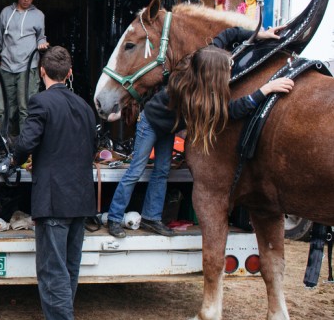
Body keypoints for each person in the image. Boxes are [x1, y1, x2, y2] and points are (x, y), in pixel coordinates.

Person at [107, 26, 293, 238]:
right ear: (212, 74)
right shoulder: (194, 97)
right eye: (227, 67)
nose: (230, 67)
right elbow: (232, 111)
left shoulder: (207, 57)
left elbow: (228, 34)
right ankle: (114, 218)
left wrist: (257, 34)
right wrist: (265, 90)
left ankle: (151, 217)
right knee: (136, 171)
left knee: (161, 172)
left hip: (169, 127)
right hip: (151, 123)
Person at [12, 46, 97, 320]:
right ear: (70, 73)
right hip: (81, 199)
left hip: (53, 199)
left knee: (52, 271)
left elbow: (26, 144)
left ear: (42, 73)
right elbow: (91, 146)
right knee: (69, 269)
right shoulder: (85, 107)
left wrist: (16, 157)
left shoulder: (41, 102)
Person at [0, 0, 49, 138]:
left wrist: (42, 44)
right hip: (7, 67)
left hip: (27, 69)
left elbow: (41, 37)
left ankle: (25, 146)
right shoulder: (6, 12)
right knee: (5, 108)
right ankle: (6, 144)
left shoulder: (38, 15)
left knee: (25, 107)